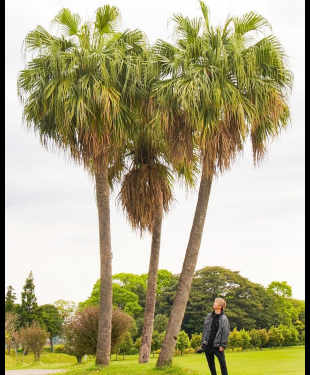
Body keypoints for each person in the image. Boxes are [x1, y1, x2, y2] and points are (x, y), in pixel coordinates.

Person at [200, 297, 230, 375]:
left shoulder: (224, 318)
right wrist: (203, 342)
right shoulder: (209, 316)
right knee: (211, 364)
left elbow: (225, 332)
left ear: (220, 306)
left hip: (217, 346)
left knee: (222, 363)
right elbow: (205, 329)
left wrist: (223, 345)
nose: (214, 303)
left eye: (216, 302)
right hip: (208, 344)